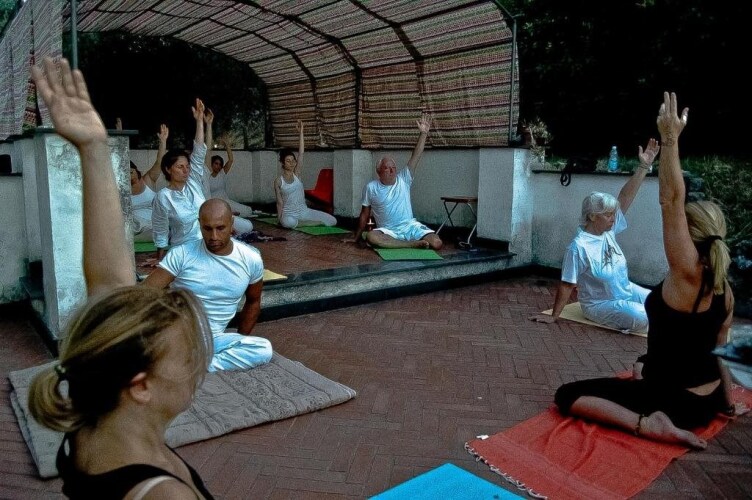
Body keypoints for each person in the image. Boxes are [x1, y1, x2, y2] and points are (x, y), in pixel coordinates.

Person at [27, 57, 214, 499]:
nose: (200, 369)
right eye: (188, 359)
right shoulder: (163, 495)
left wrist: (94, 149)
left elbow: (109, 281)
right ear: (141, 386)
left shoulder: (95, 406)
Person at [553, 92, 748, 449]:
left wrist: (670, 139)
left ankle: (647, 425)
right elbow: (722, 351)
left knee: (567, 394)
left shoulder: (687, 273)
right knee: (642, 362)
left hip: (675, 404)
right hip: (707, 401)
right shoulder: (725, 288)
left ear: (690, 237)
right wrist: (728, 404)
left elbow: (671, 199)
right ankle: (657, 389)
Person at [528, 138, 660, 333]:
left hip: (626, 290)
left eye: (613, 214)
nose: (613, 218)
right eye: (608, 215)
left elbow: (625, 197)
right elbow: (567, 284)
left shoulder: (608, 231)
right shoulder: (578, 247)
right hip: (599, 305)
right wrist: (554, 316)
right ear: (592, 216)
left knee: (660, 303)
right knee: (643, 316)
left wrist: (643, 166)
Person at [143, 198, 273, 372]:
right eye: (207, 228)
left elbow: (253, 301)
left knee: (263, 348)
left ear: (232, 223)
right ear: (199, 224)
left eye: (220, 228)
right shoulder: (182, 254)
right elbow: (143, 294)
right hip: (176, 336)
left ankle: (196, 365)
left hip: (214, 340)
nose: (214, 236)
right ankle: (186, 361)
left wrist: (240, 338)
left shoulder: (251, 259)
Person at [349, 116, 442, 249]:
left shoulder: (404, 179)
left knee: (436, 243)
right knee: (371, 236)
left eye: (393, 167)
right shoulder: (371, 187)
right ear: (379, 171)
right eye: (387, 168)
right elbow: (364, 214)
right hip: (388, 231)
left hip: (410, 227)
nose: (392, 170)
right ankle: (410, 244)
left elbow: (416, 156)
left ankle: (406, 243)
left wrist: (423, 133)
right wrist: (356, 237)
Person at [273, 120, 337, 228]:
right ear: (282, 163)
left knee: (333, 220)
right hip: (289, 215)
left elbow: (301, 154)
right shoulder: (278, 181)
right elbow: (279, 203)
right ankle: (310, 223)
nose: (292, 163)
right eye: (288, 161)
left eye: (293, 160)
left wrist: (301, 132)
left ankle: (303, 223)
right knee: (287, 222)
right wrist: (279, 219)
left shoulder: (297, 174)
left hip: (304, 212)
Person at [130, 124, 168, 242]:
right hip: (136, 226)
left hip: (154, 224)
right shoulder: (121, 189)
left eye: (131, 171)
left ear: (137, 171)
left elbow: (159, 162)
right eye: (126, 173)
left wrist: (163, 141)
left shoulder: (147, 180)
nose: (130, 175)